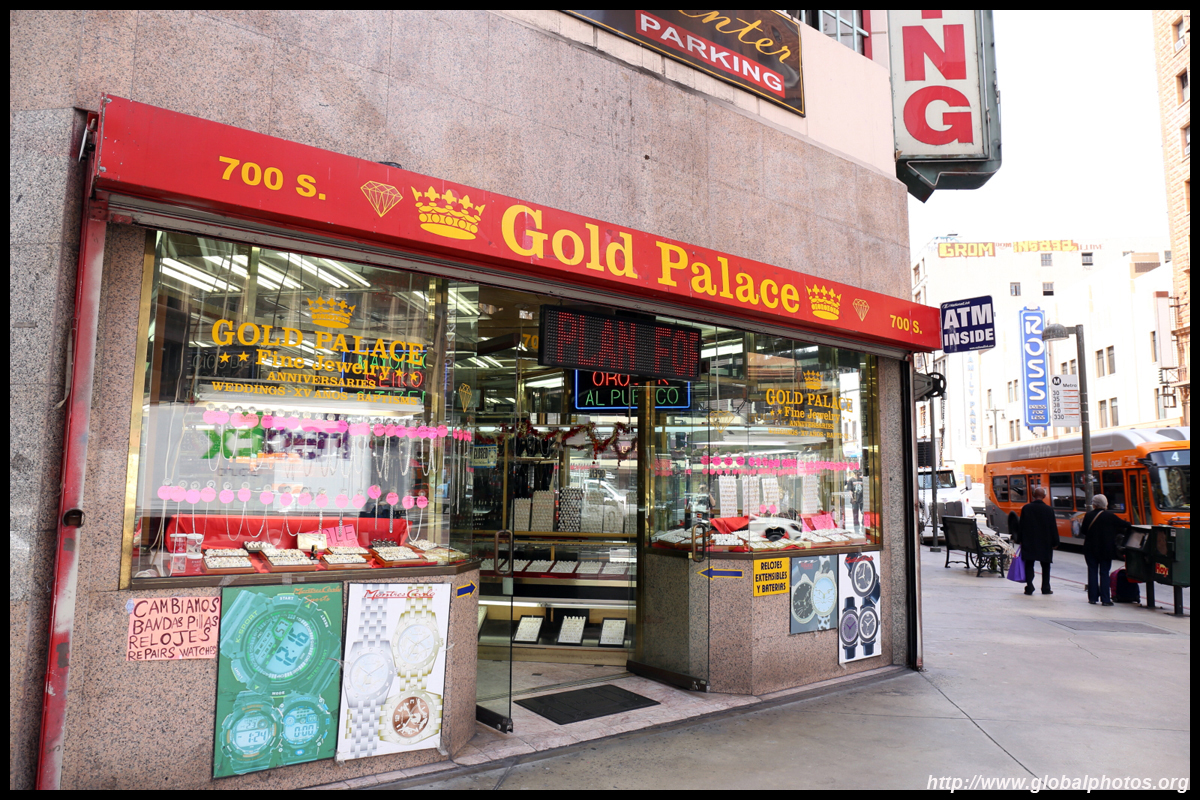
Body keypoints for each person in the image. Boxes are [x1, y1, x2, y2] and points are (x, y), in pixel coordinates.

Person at [1080, 494, 1129, 606]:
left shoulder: (1088, 515)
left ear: (1094, 504)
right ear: (1105, 504)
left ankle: (1092, 598)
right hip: (1106, 549)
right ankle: (1105, 599)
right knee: (1104, 573)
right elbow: (1125, 525)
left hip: (1090, 549)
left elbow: (1083, 531)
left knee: (1092, 572)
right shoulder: (1110, 516)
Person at [1017, 485, 1058, 595]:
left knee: (1029, 564)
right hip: (1045, 542)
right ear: (1044, 496)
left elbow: (1021, 526)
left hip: (1029, 541)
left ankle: (1029, 586)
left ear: (1033, 495)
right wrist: (1055, 542)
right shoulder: (1049, 510)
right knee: (1046, 565)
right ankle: (1046, 587)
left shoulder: (1026, 508)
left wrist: (1019, 539)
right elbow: (1053, 527)